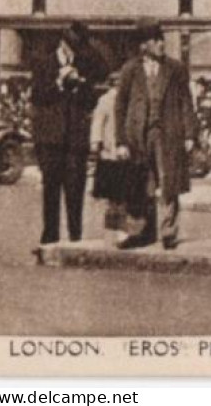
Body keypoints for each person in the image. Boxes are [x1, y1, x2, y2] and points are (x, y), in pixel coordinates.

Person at [113, 20, 197, 250]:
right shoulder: (130, 70)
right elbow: (120, 106)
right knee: (140, 184)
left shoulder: (176, 68)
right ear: (144, 45)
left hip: (168, 133)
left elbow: (186, 103)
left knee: (169, 181)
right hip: (137, 135)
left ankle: (168, 232)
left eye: (162, 39)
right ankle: (141, 232)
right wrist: (120, 140)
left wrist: (190, 134)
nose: (161, 44)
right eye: (155, 40)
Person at [31, 21, 104, 245]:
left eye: (78, 47)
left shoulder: (85, 63)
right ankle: (50, 236)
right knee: (51, 189)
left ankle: (75, 236)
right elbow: (37, 97)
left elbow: (93, 95)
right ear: (63, 44)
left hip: (75, 139)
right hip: (50, 139)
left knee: (76, 189)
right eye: (73, 46)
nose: (76, 51)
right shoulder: (44, 64)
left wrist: (81, 81)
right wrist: (59, 84)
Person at [88, 80, 127, 245]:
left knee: (121, 194)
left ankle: (119, 229)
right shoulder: (106, 100)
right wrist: (96, 142)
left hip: (122, 152)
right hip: (109, 152)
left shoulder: (127, 99)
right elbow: (98, 121)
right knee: (113, 194)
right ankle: (114, 229)